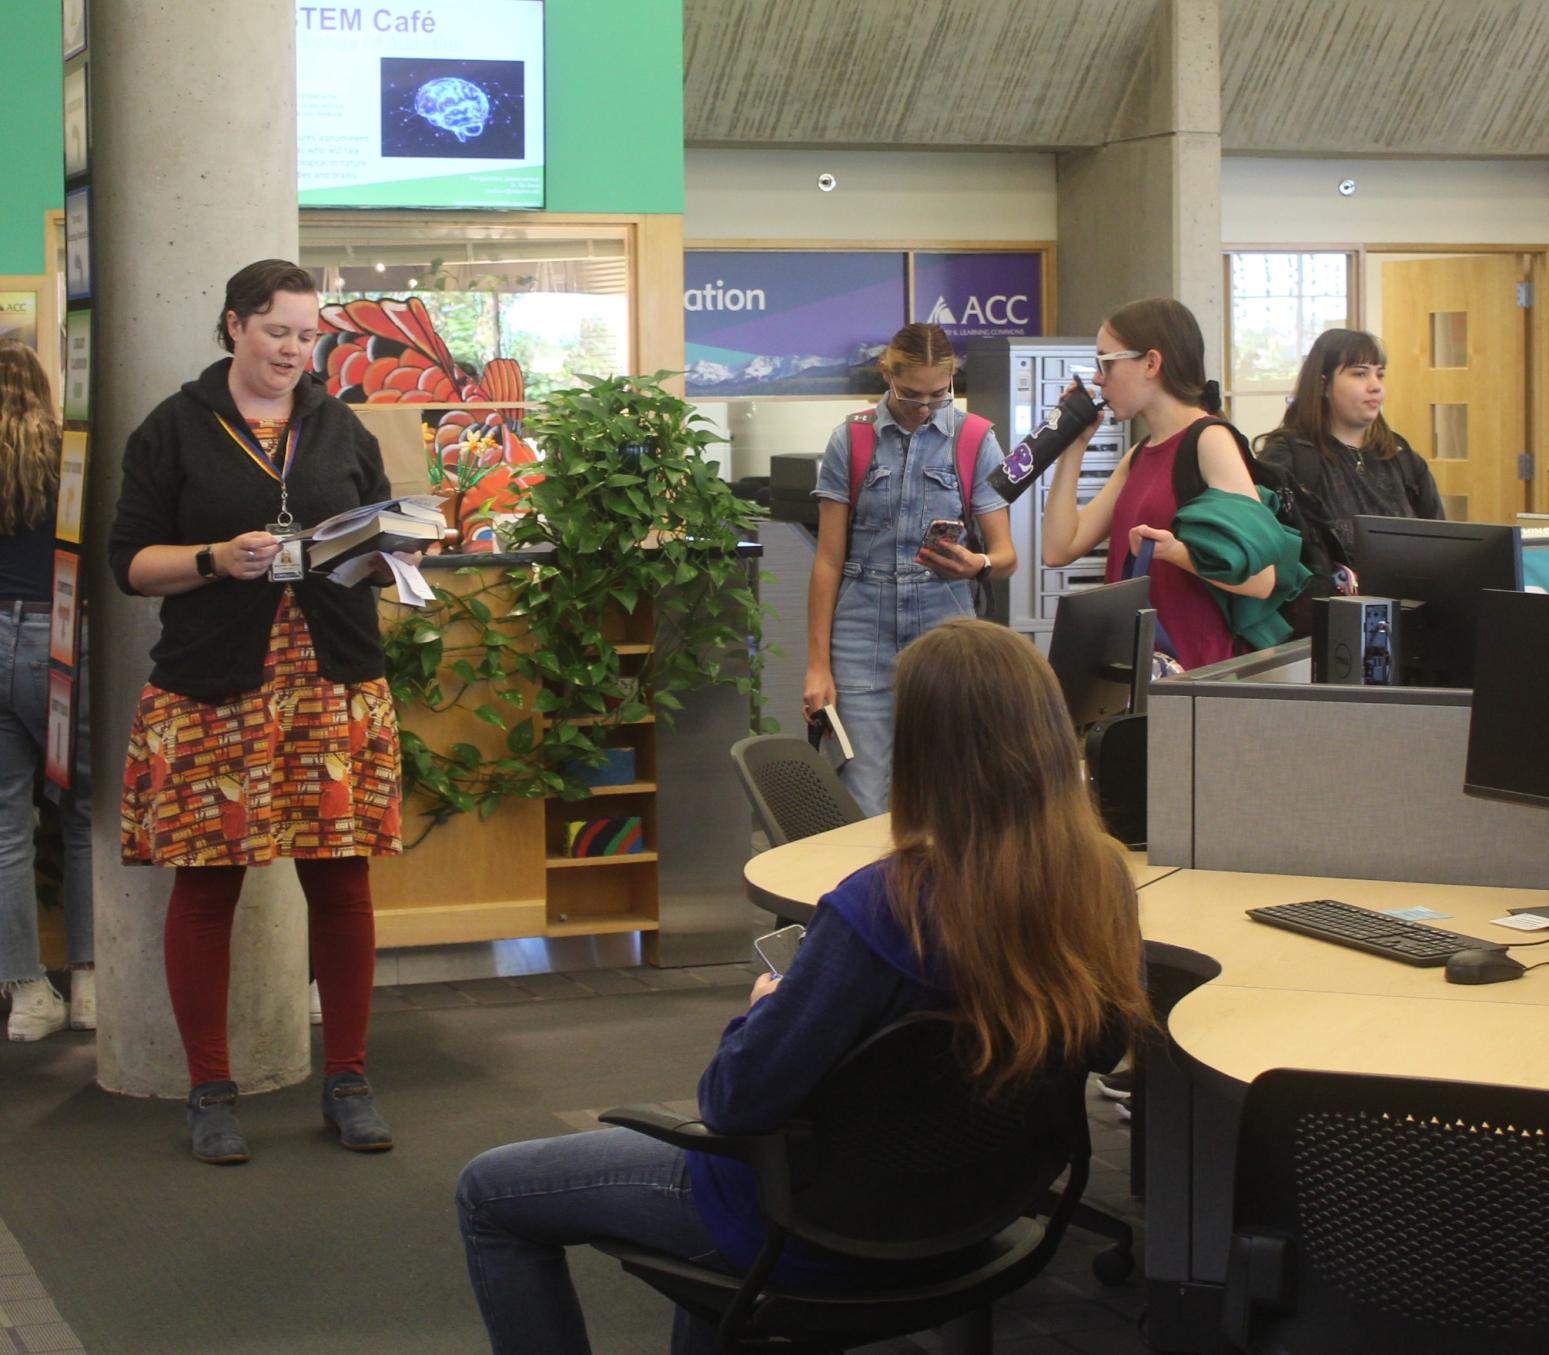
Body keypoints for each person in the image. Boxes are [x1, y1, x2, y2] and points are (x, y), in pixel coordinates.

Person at [458, 618, 1152, 1355]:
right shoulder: (1100, 882)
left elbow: (733, 1102)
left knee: (490, 1193)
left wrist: (763, 1012)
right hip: (977, 1218)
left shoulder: (881, 906)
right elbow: (1106, 1045)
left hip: (810, 1227)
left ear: (924, 751)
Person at [108, 259, 419, 1162]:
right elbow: (130, 565)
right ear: (236, 325)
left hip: (332, 680)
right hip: (216, 687)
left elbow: (374, 531)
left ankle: (349, 1081)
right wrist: (216, 557)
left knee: (342, 882)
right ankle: (210, 1090)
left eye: (308, 332)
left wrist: (390, 551)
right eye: (278, 329)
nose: (294, 348)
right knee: (207, 885)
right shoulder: (173, 429)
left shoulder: (337, 423)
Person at [802, 323, 1016, 816]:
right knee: (863, 795)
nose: (924, 408)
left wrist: (977, 564)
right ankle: (873, 895)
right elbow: (829, 561)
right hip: (860, 632)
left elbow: (1006, 557)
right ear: (886, 375)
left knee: (948, 793)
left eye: (940, 395)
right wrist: (817, 666)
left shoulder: (976, 439)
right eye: (911, 394)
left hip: (945, 625)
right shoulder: (851, 440)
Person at [1040, 298, 1279, 670]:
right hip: (1140, 675)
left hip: (1194, 678)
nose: (1098, 378)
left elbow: (1261, 577)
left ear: (1151, 363)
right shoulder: (1139, 455)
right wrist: (1073, 446)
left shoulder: (1209, 441)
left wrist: (1175, 553)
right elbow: (1058, 549)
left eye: (1107, 362)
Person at [0, 340, 92, 1042]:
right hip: (60, 641)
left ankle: (29, 992)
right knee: (86, 815)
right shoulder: (72, 454)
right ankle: (90, 983)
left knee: (5, 830)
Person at [1253, 327, 1444, 561]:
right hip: (1322, 596)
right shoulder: (1290, 456)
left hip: (1406, 595)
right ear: (1323, 384)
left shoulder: (1402, 458)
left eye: (1380, 374)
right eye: (1359, 374)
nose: (1375, 386)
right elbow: (1265, 546)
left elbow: (1440, 545)